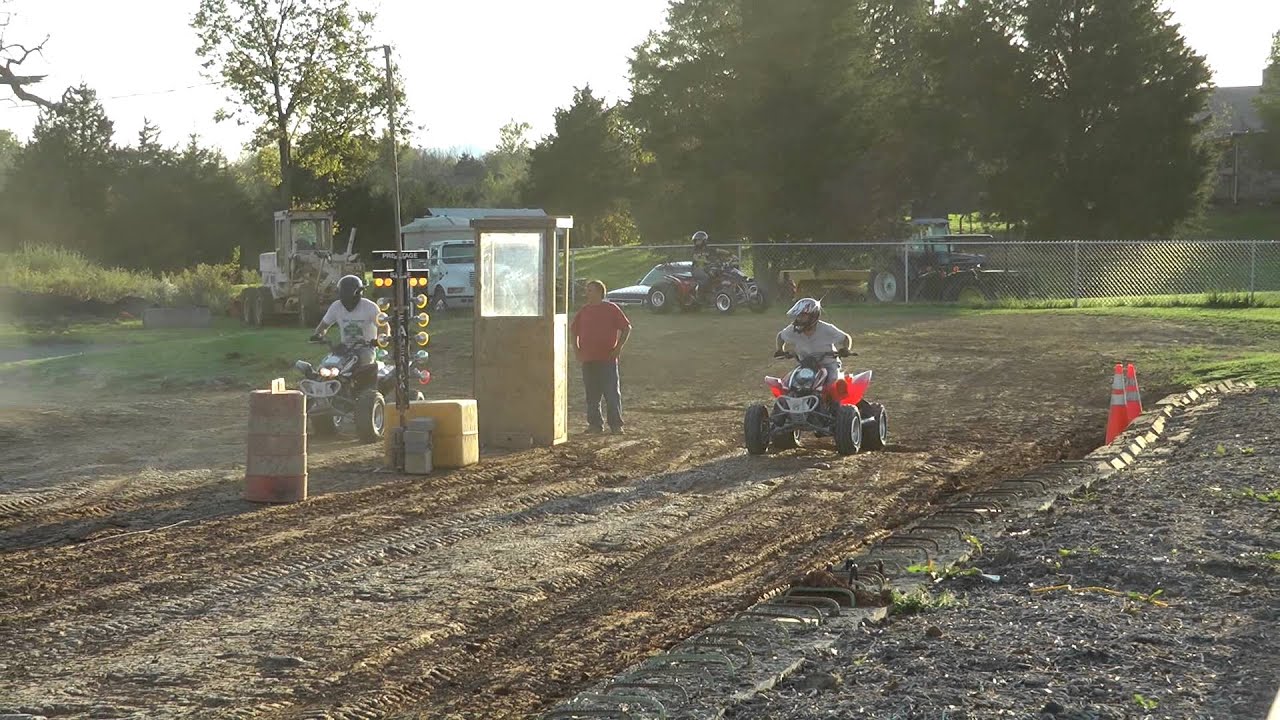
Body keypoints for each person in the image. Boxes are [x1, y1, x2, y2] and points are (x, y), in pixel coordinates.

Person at [570, 280, 632, 434]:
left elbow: (626, 328)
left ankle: (616, 425)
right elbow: (573, 331)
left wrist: (618, 348)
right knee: (592, 395)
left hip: (607, 359)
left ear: (599, 292)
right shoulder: (584, 311)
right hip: (589, 359)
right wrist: (576, 349)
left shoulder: (611, 309)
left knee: (611, 393)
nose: (587, 293)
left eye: (590, 290)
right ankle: (595, 424)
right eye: (587, 290)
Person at [773, 297, 853, 386]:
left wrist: (846, 349)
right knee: (789, 384)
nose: (799, 319)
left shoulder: (827, 329)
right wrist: (779, 350)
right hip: (805, 365)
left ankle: (836, 400)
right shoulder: (792, 329)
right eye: (798, 316)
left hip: (828, 365)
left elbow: (845, 338)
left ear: (813, 316)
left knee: (833, 383)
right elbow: (780, 336)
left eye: (803, 316)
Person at [310, 274, 381, 368]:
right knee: (327, 365)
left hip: (366, 348)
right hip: (343, 348)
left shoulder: (370, 307)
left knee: (364, 364)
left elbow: (384, 326)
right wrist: (318, 335)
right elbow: (323, 325)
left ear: (359, 293)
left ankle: (364, 382)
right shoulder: (336, 306)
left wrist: (380, 340)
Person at [690, 230, 733, 301]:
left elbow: (719, 250)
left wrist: (730, 254)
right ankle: (699, 295)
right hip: (697, 269)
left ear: (704, 241)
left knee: (721, 274)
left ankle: (718, 293)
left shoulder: (708, 249)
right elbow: (697, 259)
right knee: (705, 278)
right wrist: (707, 262)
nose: (697, 242)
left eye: (699, 240)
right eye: (696, 240)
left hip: (707, 268)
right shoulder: (694, 250)